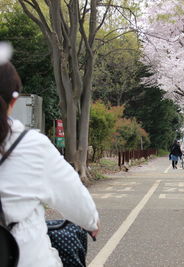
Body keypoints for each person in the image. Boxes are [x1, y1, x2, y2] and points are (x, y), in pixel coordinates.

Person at [0, 61, 99, 267]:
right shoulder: (31, 145)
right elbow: (74, 196)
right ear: (12, 101)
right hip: (25, 258)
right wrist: (90, 222)